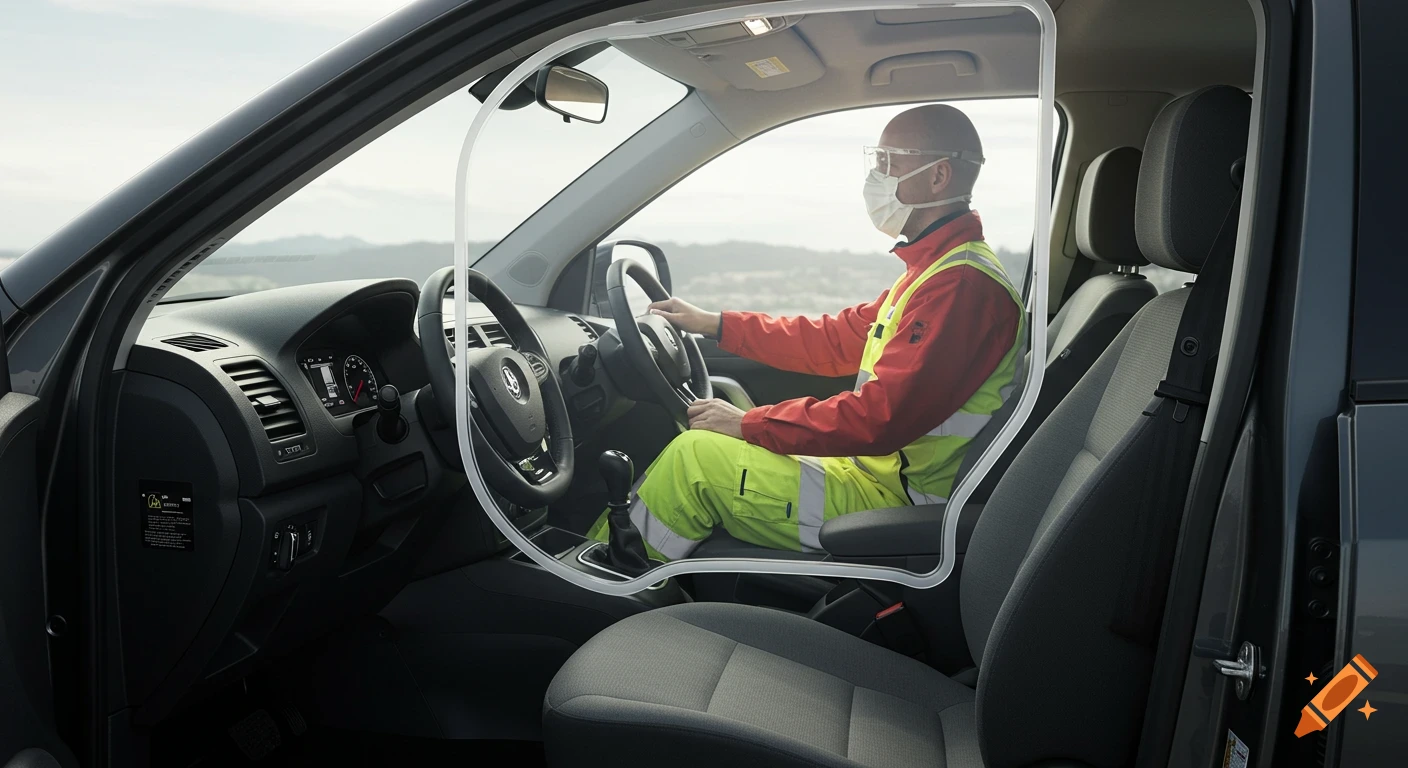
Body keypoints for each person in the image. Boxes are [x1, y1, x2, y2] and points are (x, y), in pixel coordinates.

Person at [587, 104, 1026, 560]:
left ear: (939, 177)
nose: (876, 175)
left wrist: (747, 424)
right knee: (722, 425)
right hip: (877, 474)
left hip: (900, 501)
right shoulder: (933, 271)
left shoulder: (960, 287)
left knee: (692, 461)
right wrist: (715, 325)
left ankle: (599, 584)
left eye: (889, 161)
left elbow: (880, 418)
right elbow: (833, 340)